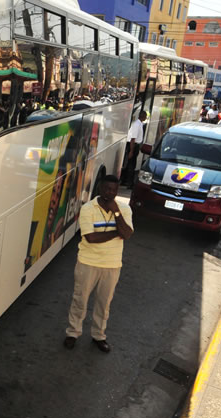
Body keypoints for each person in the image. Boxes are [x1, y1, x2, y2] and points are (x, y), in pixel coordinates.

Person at [63, 175, 133, 353]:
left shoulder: (124, 209)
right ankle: (73, 332)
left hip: (112, 264)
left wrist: (116, 212)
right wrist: (116, 233)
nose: (111, 193)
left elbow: (127, 234)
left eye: (114, 190)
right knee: (80, 300)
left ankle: (99, 336)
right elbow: (91, 237)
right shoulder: (88, 209)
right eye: (107, 189)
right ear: (100, 188)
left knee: (104, 304)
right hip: (88, 262)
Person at [121, 110, 146, 188]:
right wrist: (131, 151)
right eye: (145, 116)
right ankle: (128, 183)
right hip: (132, 145)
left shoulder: (140, 124)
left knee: (131, 164)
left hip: (135, 145)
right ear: (143, 116)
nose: (146, 118)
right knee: (131, 165)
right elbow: (133, 138)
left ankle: (126, 181)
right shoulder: (136, 124)